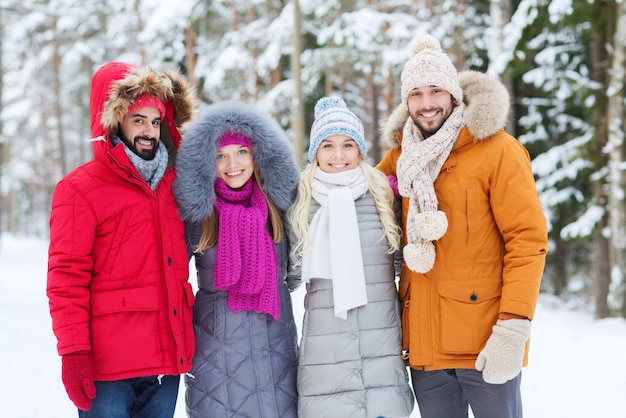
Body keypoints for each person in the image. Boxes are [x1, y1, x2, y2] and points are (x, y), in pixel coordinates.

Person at [376, 34, 549, 418]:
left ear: (453, 94)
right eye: (416, 94)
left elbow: (527, 240)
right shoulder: (400, 158)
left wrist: (513, 327)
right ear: (406, 101)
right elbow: (356, 196)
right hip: (425, 349)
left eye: (436, 90)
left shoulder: (498, 150)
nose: (426, 104)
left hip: (485, 345)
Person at [46, 62, 197, 417]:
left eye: (155, 121)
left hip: (166, 364)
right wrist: (74, 353)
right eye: (138, 119)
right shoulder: (79, 189)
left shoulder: (175, 186)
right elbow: (66, 279)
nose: (149, 131)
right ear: (113, 121)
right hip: (109, 370)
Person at [289, 96, 415, 418]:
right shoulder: (300, 202)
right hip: (325, 362)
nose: (338, 155)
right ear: (315, 151)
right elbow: (288, 276)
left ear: (360, 149)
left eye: (348, 144)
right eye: (327, 145)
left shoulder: (383, 195)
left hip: (381, 359)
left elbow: (403, 264)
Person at [173, 101, 300, 417]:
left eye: (241, 152)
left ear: (258, 155)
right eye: (220, 155)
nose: (233, 163)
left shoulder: (279, 210)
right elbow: (168, 274)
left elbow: (297, 271)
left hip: (277, 353)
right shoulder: (198, 215)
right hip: (218, 363)